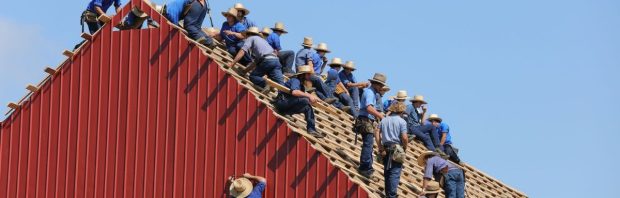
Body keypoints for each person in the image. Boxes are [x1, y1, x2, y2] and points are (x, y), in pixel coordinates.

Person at [273, 65, 325, 138]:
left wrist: (316, 99)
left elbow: (303, 93)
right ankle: (285, 112)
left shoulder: (301, 85)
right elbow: (294, 92)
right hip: (282, 102)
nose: (310, 76)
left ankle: (311, 129)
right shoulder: (295, 80)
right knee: (305, 100)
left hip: (288, 104)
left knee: (308, 107)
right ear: (304, 74)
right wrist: (309, 96)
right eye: (309, 74)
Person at [356, 73, 388, 178]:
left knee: (368, 144)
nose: (382, 88)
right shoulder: (370, 92)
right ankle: (364, 167)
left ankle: (367, 166)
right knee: (368, 144)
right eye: (381, 85)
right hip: (365, 120)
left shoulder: (372, 92)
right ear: (376, 84)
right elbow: (369, 108)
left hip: (366, 120)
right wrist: (381, 116)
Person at [375, 102, 409, 198]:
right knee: (395, 173)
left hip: (385, 148)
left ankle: (388, 194)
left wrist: (380, 146)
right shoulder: (402, 122)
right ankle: (392, 195)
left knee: (387, 172)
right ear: (401, 111)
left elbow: (376, 131)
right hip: (396, 148)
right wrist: (405, 147)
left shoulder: (384, 120)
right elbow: (405, 137)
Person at [294, 38, 337, 103]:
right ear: (320, 51)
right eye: (324, 51)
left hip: (313, 74)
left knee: (317, 87)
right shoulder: (315, 56)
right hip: (309, 74)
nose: (324, 53)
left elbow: (320, 71)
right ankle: (329, 96)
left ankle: (325, 98)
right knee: (319, 81)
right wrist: (313, 75)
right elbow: (310, 65)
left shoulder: (319, 58)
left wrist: (324, 63)